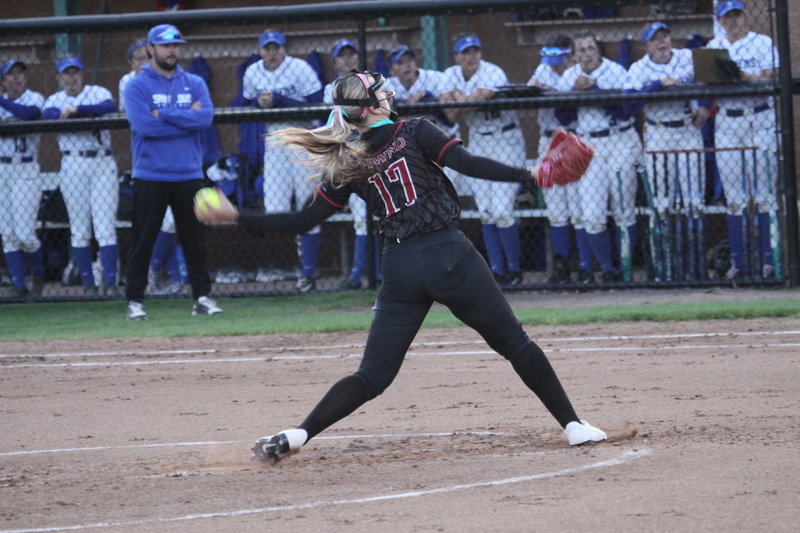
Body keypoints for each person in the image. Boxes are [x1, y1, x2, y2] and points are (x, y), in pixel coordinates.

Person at [194, 70, 604, 463]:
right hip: (450, 257)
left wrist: (236, 215)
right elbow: (469, 164)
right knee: (515, 344)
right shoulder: (415, 130)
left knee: (372, 375)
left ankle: (297, 434)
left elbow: (301, 222)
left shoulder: (349, 158)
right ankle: (573, 425)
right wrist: (532, 174)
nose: (389, 96)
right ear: (370, 108)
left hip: (401, 268)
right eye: (382, 93)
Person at [123, 23, 222, 320]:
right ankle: (135, 301)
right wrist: (184, 119)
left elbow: (204, 118)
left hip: (189, 173)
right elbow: (143, 126)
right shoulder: (137, 85)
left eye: (176, 44)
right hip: (150, 174)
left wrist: (164, 114)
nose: (172, 50)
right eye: (166, 45)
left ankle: (202, 298)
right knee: (143, 239)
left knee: (194, 239)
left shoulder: (194, 82)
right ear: (151, 48)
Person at [623, 22, 711, 281]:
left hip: (688, 131)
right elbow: (628, 105)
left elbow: (713, 76)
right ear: (647, 45)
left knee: (694, 202)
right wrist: (658, 85)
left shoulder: (687, 57)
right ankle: (666, 270)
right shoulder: (639, 68)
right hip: (658, 133)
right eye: (655, 39)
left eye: (665, 36)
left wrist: (705, 106)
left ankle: (697, 270)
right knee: (662, 204)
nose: (662, 42)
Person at [440, 35, 527, 286]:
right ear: (457, 57)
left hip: (506, 141)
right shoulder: (450, 74)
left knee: (501, 210)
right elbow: (450, 115)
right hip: (477, 141)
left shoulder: (493, 71)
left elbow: (478, 99)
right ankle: (497, 271)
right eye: (465, 52)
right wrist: (463, 101)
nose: (471, 56)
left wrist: (460, 98)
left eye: (475, 50)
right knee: (486, 212)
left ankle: (515, 270)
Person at [556, 33, 642, 283]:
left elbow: (625, 110)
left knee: (623, 210)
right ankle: (608, 270)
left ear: (598, 50)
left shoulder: (615, 71)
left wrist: (594, 89)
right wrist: (574, 93)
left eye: (591, 48)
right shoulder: (569, 76)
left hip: (619, 140)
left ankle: (625, 269)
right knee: (592, 215)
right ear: (574, 55)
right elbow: (563, 118)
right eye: (581, 50)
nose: (586, 54)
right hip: (587, 144)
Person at [241, 29, 324, 292]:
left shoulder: (300, 68)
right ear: (260, 50)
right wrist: (259, 104)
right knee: (275, 207)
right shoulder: (253, 72)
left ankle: (307, 273)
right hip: (274, 140)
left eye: (276, 47)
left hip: (303, 139)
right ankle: (294, 265)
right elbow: (242, 108)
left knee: (307, 206)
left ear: (284, 49)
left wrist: (279, 101)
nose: (272, 53)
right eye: (267, 48)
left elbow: (316, 105)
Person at [706, 0, 779, 280]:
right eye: (727, 17)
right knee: (735, 198)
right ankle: (738, 263)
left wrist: (744, 76)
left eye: (736, 15)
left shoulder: (761, 42)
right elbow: (706, 83)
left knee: (764, 197)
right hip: (728, 120)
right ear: (720, 20)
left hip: (759, 118)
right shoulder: (713, 47)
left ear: (744, 16)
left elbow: (771, 80)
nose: (733, 21)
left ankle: (769, 262)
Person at [42, 56, 120, 296]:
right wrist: (87, 119)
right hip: (73, 163)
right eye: (66, 73)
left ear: (82, 73)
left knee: (105, 226)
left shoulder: (97, 92)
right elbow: (51, 116)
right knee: (79, 228)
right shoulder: (54, 99)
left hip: (102, 162)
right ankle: (87, 284)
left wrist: (77, 111)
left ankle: (111, 283)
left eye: (75, 72)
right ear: (58, 77)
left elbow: (109, 107)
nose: (71, 77)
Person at [119, 38, 185, 295]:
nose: (143, 63)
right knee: (156, 221)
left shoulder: (172, 78)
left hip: (176, 159)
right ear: (130, 62)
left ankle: (155, 271)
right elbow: (146, 118)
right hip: (147, 162)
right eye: (137, 58)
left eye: (146, 57)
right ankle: (156, 274)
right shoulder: (128, 82)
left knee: (170, 222)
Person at [526, 36, 588, 285]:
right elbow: (529, 94)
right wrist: (542, 91)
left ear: (571, 55)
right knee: (556, 209)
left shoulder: (577, 71)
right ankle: (561, 266)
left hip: (573, 142)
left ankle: (584, 267)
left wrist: (558, 94)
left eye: (559, 60)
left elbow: (570, 109)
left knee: (578, 208)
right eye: (551, 60)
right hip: (547, 141)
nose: (554, 66)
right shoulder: (543, 67)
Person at [323, 39, 382, 291]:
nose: (348, 59)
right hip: (349, 156)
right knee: (361, 218)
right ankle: (358, 276)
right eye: (342, 55)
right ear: (334, 61)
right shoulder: (330, 89)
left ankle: (375, 275)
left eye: (351, 54)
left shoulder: (371, 83)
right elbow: (334, 126)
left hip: (373, 153)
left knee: (377, 216)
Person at [0, 59, 45, 298]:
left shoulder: (34, 97)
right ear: (3, 80)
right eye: (10, 74)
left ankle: (38, 273)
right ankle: (19, 286)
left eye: (20, 73)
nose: (16, 78)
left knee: (25, 234)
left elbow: (29, 114)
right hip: (1, 170)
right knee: (7, 234)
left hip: (25, 170)